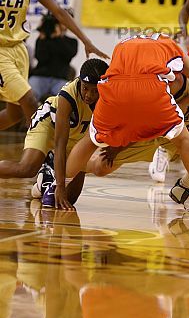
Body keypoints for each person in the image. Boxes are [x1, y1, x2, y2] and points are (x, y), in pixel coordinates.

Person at [59, 35, 189, 219]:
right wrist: (119, 145)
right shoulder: (178, 77)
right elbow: (141, 110)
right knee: (101, 168)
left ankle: (184, 189)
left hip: (179, 131)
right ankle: (71, 165)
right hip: (149, 132)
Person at [0, 0, 109, 130]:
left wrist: (86, 41)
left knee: (14, 113)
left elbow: (59, 12)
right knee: (31, 102)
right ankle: (42, 153)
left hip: (19, 50)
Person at [0, 58, 108, 207]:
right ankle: (48, 170)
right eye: (85, 88)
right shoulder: (67, 96)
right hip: (48, 124)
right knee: (27, 168)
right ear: (79, 81)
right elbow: (59, 144)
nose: (89, 94)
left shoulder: (109, 98)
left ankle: (45, 179)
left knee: (69, 200)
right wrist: (60, 186)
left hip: (76, 133)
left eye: (95, 91)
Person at [29, 11, 78, 102]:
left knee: (66, 100)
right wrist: (43, 37)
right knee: (29, 96)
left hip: (60, 78)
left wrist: (58, 37)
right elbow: (41, 57)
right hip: (40, 76)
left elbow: (68, 55)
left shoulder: (71, 41)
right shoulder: (43, 39)